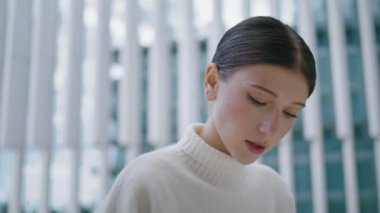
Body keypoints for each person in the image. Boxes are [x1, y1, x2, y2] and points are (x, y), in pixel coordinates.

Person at [98, 16, 316, 213]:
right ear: (212, 82)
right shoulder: (147, 181)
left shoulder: (274, 193)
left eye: (290, 113)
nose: (270, 129)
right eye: (257, 100)